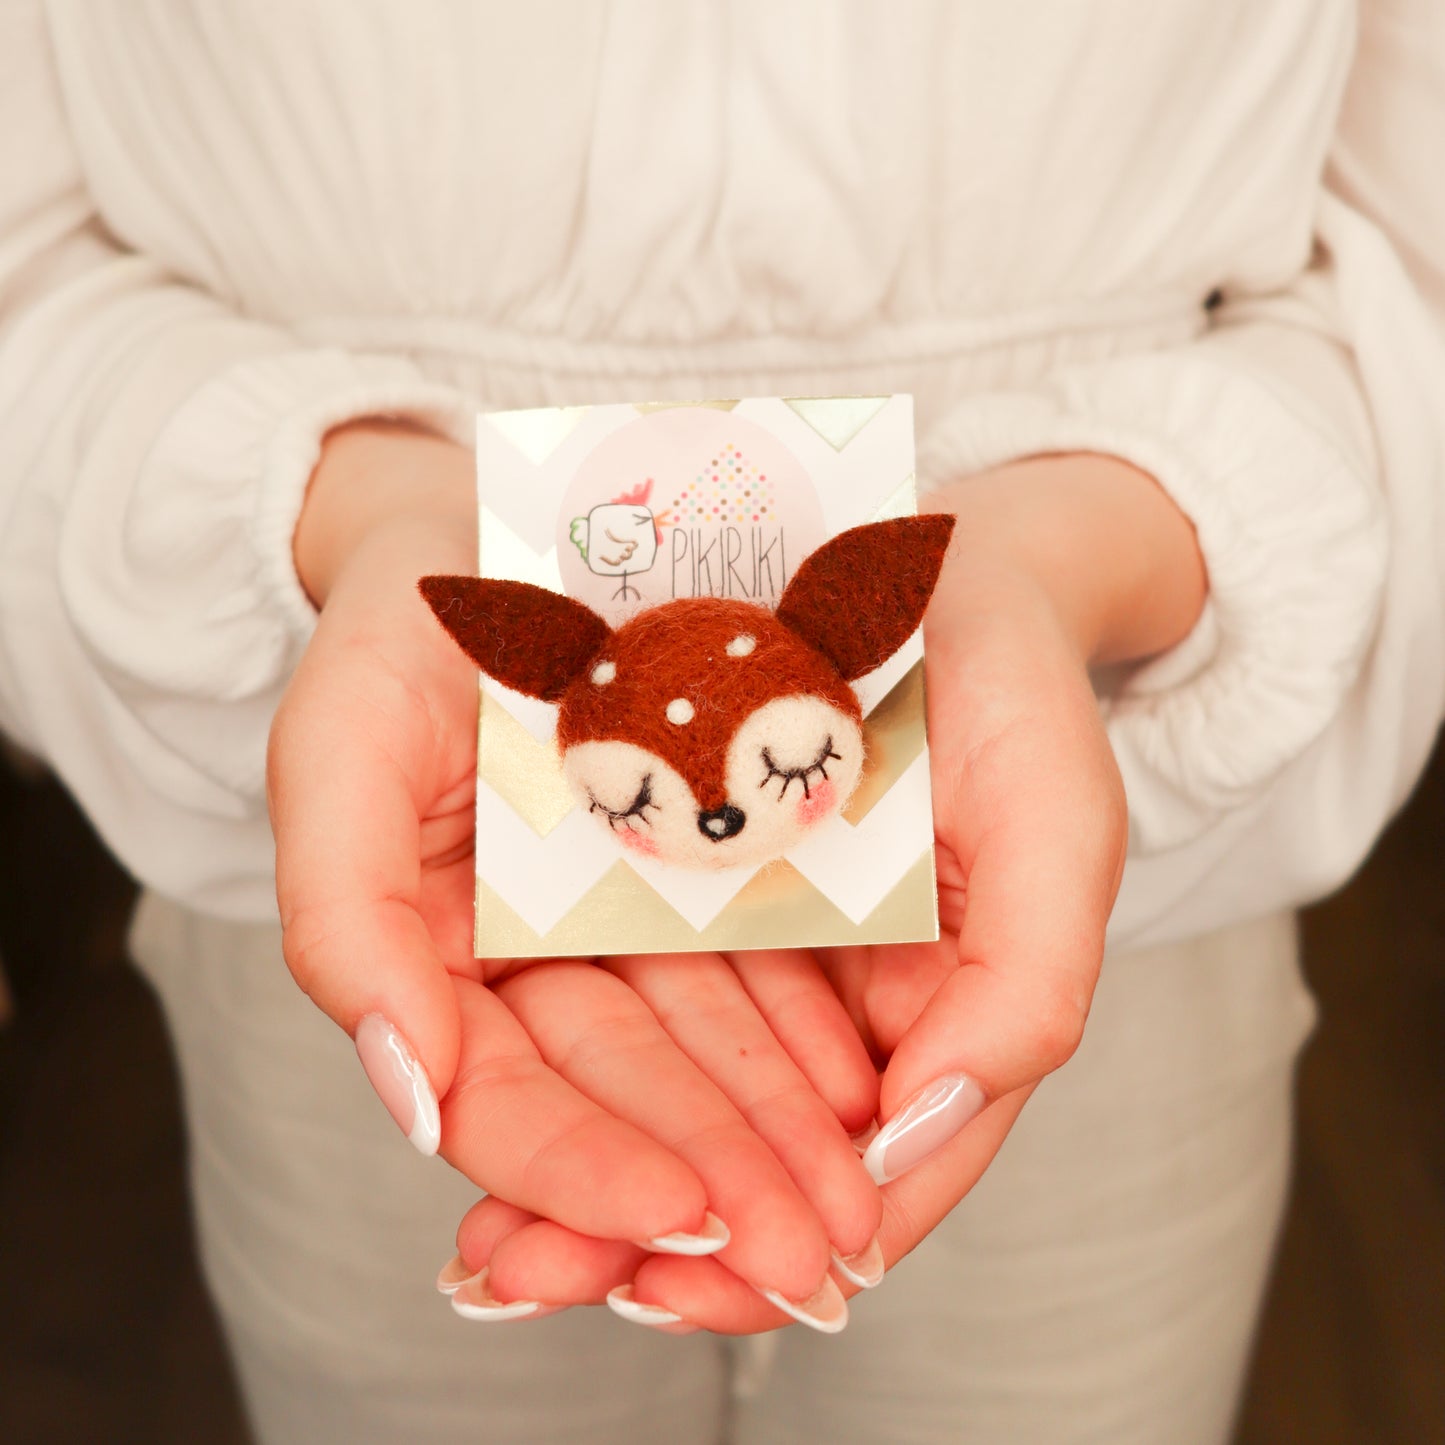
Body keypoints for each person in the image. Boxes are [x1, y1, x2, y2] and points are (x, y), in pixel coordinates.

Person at [2, 2, 1442, 1442]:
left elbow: (1413, 256)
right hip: (394, 848)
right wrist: (347, 512)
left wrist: (1088, 550)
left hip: (1080, 864)